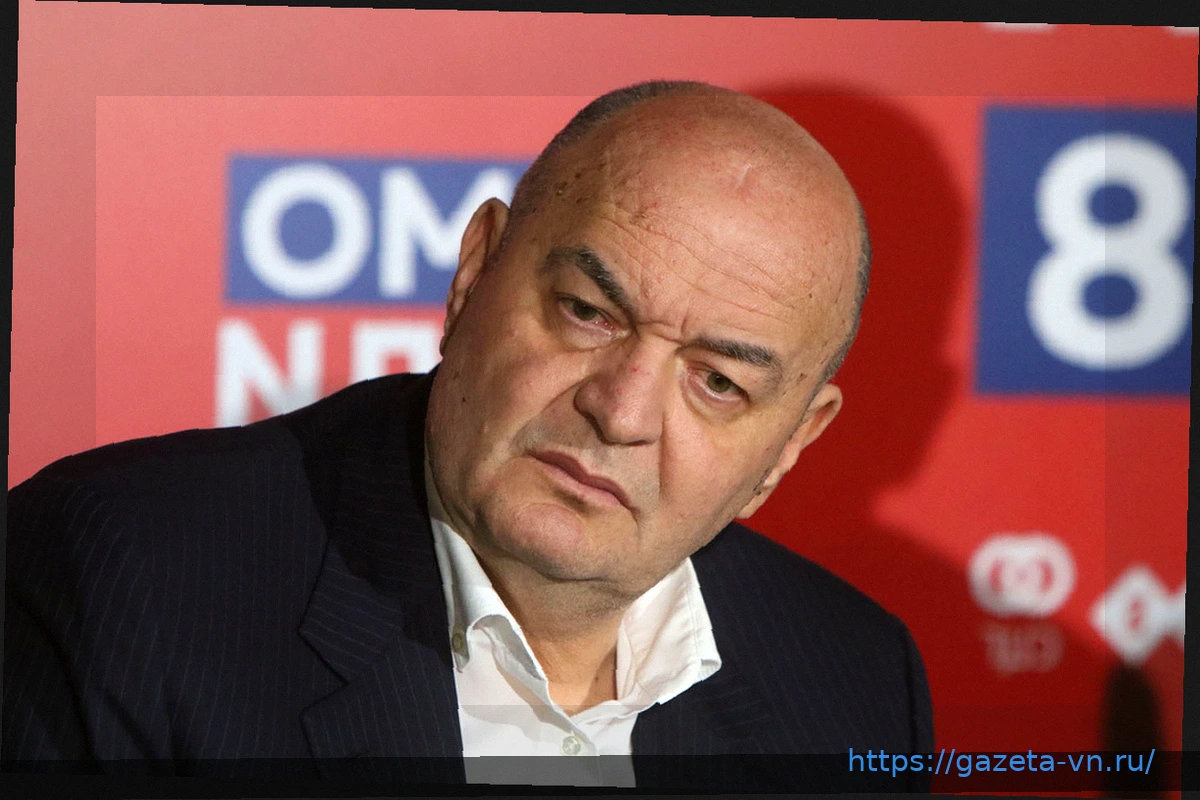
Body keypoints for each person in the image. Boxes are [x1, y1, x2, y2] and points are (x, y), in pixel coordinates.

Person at [4, 81, 933, 789]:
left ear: (789, 445)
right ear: (474, 274)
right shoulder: (123, 578)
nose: (620, 414)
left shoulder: (854, 683)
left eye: (719, 383)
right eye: (587, 312)